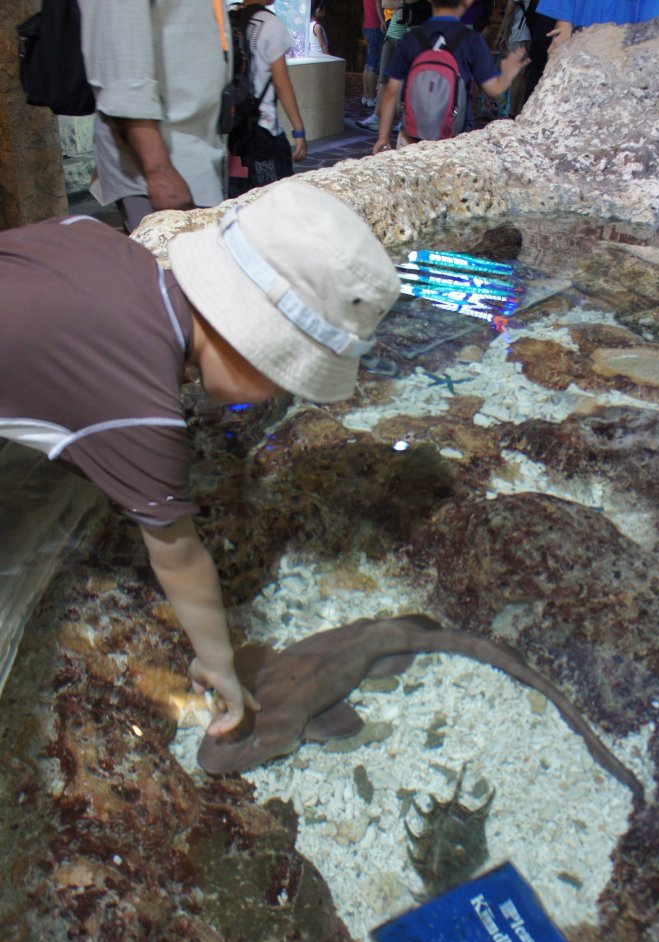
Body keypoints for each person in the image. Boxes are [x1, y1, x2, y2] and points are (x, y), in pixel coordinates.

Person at [0, 182, 400, 740]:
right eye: (286, 377)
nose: (279, 394)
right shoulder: (141, 412)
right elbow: (179, 558)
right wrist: (218, 663)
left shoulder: (99, 239)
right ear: (252, 342)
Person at [77, 0, 231, 234]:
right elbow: (121, 67)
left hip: (197, 148)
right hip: (161, 158)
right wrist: (157, 168)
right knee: (174, 252)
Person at [372, 0, 529, 152]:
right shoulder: (472, 40)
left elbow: (391, 92)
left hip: (411, 139)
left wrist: (383, 138)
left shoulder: (412, 37)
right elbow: (494, 89)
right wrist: (508, 73)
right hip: (453, 141)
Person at [226, 0, 308, 199]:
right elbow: (281, 82)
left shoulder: (232, 19)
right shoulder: (271, 24)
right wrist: (299, 131)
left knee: (239, 200)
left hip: (234, 130)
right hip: (264, 131)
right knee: (274, 199)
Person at [356, 0, 412, 132]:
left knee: (405, 80)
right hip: (392, 32)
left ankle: (403, 120)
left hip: (407, 33)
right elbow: (385, 4)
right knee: (383, 77)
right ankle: (376, 117)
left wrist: (400, 3)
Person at [362, 0, 387, 107]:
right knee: (373, 64)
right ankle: (371, 97)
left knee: (368, 63)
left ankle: (366, 96)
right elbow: (378, 5)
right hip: (375, 25)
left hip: (367, 25)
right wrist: (382, 21)